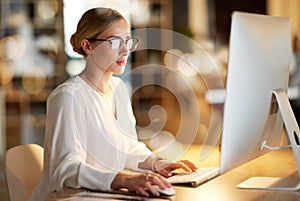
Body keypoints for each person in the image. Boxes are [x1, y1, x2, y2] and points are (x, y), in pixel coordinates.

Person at [28, 7, 197, 200]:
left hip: (104, 195)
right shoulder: (68, 97)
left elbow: (126, 146)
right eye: (115, 42)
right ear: (88, 46)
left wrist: (156, 162)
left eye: (127, 41)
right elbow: (66, 170)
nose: (125, 50)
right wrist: (125, 180)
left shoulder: (118, 89)